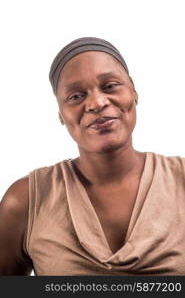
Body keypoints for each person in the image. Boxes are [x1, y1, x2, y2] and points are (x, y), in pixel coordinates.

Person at [0, 37, 185, 276]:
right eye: (76, 96)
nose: (97, 103)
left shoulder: (180, 180)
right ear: (60, 114)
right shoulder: (26, 200)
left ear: (133, 91)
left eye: (110, 86)